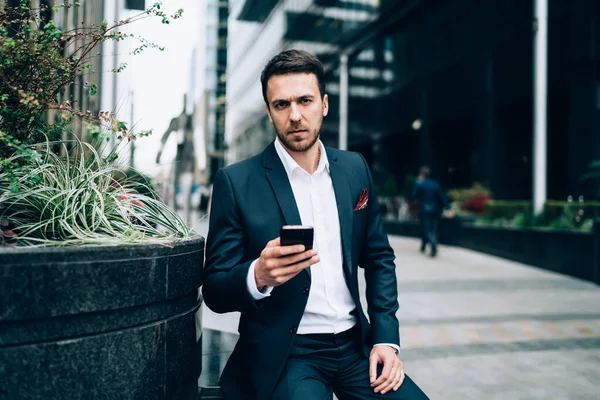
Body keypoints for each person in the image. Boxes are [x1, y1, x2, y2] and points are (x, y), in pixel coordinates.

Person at [202, 49, 429, 400]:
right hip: (290, 354)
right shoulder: (236, 182)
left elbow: (380, 258)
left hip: (357, 346)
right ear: (269, 111)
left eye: (305, 100)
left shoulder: (355, 169)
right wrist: (257, 276)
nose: (295, 115)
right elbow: (215, 289)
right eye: (281, 105)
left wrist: (386, 338)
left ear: (324, 104)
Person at [411, 166, 452, 257]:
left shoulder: (420, 184)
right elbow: (442, 197)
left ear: (421, 174)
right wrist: (448, 208)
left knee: (427, 229)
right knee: (432, 229)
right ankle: (423, 246)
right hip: (435, 210)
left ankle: (433, 245)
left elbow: (413, 196)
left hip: (424, 210)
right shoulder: (435, 184)